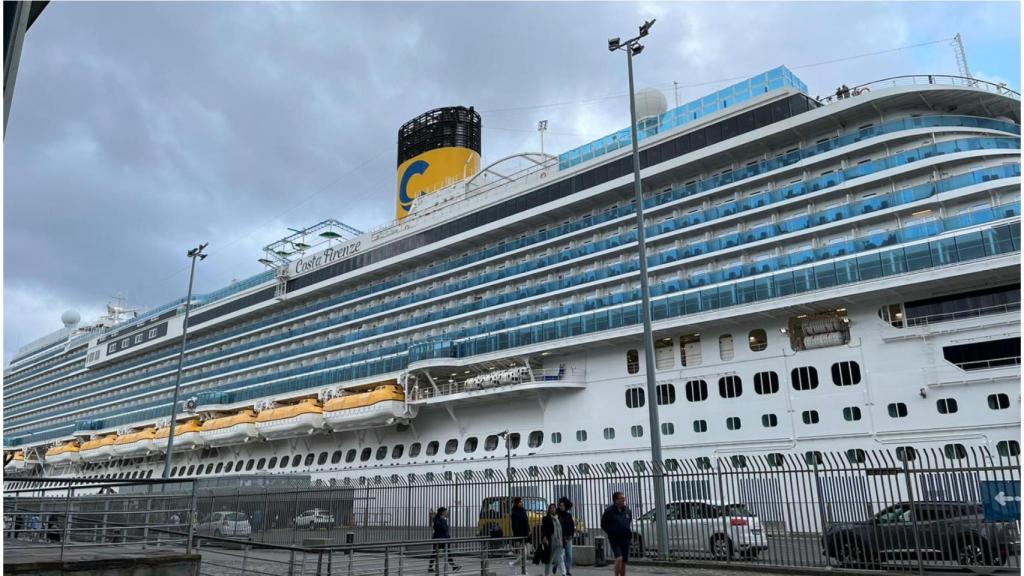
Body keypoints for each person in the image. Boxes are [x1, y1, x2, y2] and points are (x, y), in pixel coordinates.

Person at [601, 492, 633, 576]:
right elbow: (603, 524)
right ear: (616, 500)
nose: (623, 500)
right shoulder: (609, 511)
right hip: (615, 538)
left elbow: (629, 521)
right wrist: (611, 532)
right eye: (621, 498)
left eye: (624, 498)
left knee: (624, 561)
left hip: (626, 537)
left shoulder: (627, 510)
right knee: (619, 558)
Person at [428, 506, 460, 573]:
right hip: (438, 539)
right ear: (442, 513)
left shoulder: (443, 520)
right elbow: (440, 527)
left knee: (447, 553)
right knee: (435, 553)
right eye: (445, 512)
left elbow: (445, 529)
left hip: (445, 539)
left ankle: (453, 566)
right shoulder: (437, 520)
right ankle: (430, 567)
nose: (447, 513)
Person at [540, 504, 565, 576]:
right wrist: (544, 537)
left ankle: (564, 573)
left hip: (559, 540)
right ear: (549, 509)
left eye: (554, 508)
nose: (552, 509)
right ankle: (546, 574)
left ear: (555, 509)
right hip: (551, 539)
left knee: (560, 557)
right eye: (551, 508)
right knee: (549, 559)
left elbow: (562, 529)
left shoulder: (559, 518)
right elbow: (544, 529)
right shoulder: (546, 518)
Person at [557, 497, 576, 576]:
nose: (561, 507)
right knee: (561, 555)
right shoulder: (557, 515)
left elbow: (572, 526)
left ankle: (567, 570)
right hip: (560, 538)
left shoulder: (568, 515)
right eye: (560, 505)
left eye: (563, 505)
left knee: (569, 555)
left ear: (566, 506)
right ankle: (564, 572)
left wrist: (571, 535)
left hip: (568, 538)